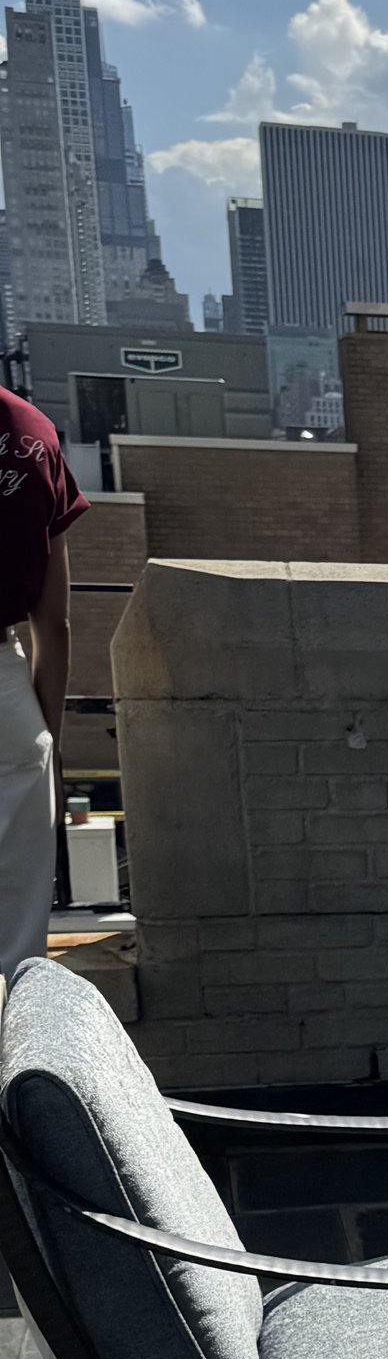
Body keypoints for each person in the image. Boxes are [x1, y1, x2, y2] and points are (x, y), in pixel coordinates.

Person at [0, 379, 79, 978]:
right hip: (6, 698)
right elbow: (53, 623)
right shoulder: (34, 433)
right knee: (16, 936)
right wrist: (46, 736)